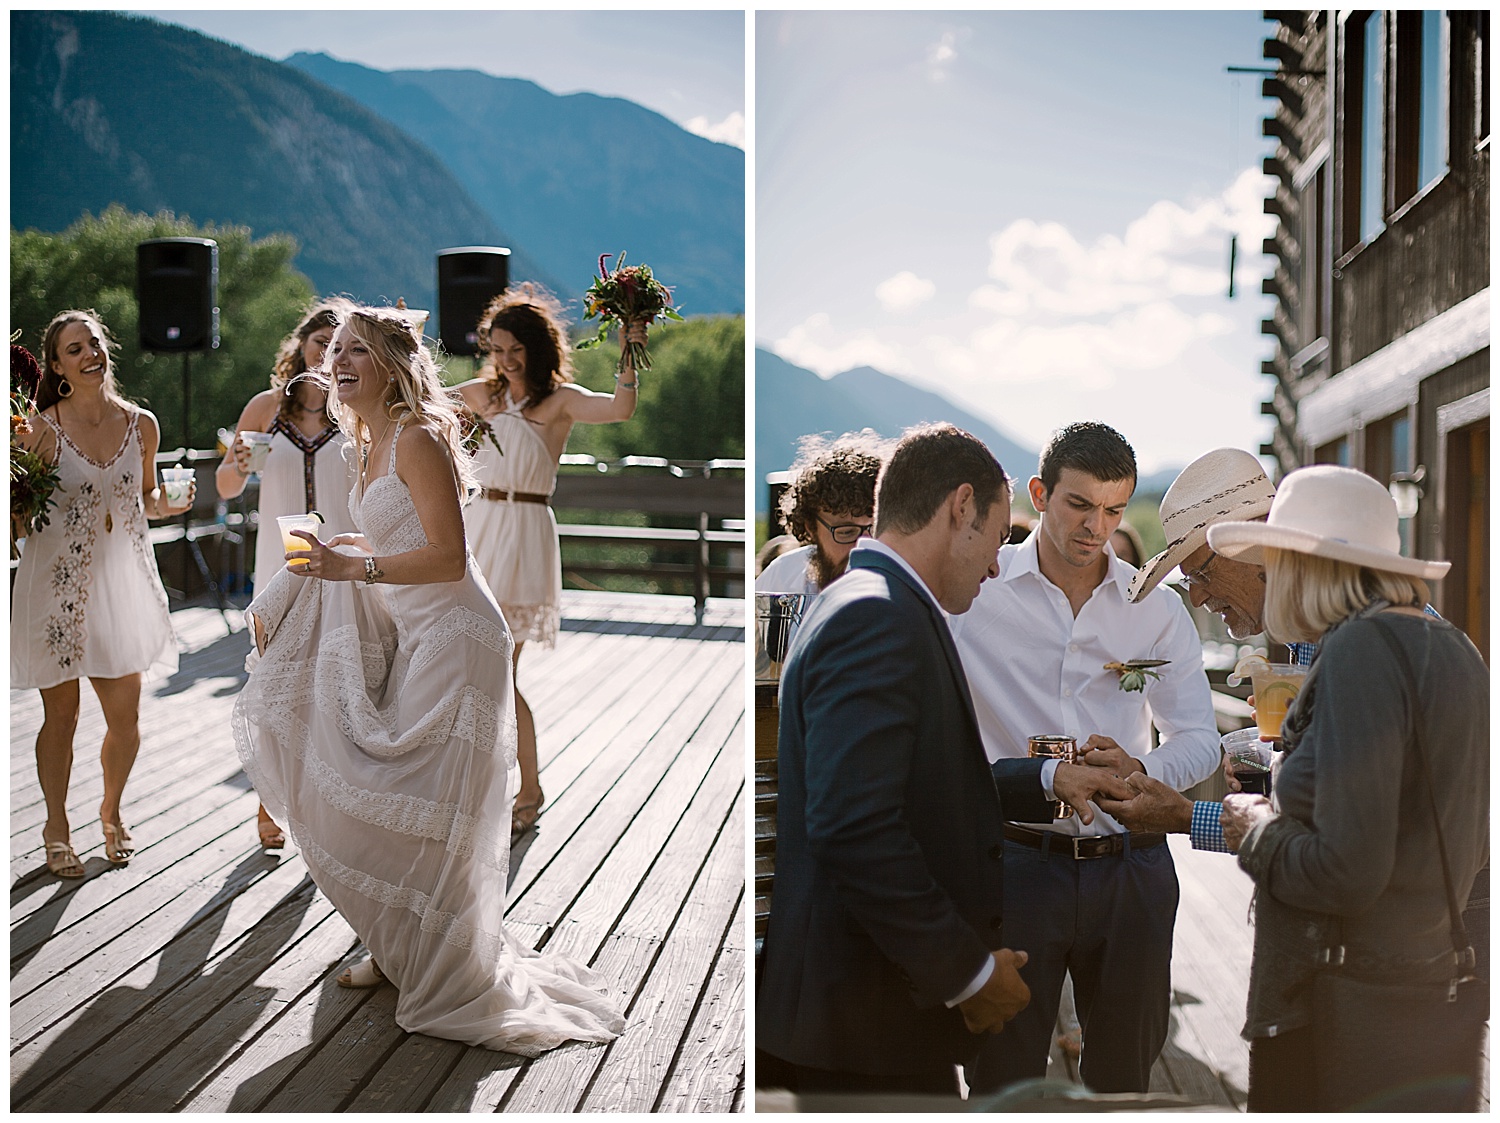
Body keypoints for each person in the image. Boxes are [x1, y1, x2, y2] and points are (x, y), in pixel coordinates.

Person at [231, 306, 625, 1054]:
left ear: (389, 364)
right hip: (417, 631)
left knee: (430, 800)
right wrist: (330, 554)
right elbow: (389, 536)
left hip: (460, 635)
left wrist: (358, 563)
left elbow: (449, 557)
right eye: (333, 350)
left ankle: (437, 960)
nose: (338, 361)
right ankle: (399, 945)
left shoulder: (415, 438)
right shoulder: (369, 439)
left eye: (356, 351)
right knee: (400, 793)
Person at [756, 422, 1133, 1096]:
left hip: (872, 1021)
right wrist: (969, 972)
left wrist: (1044, 778)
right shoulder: (875, 617)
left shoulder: (867, 600)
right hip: (862, 1027)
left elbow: (909, 786)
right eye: (995, 539)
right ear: (961, 506)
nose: (995, 565)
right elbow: (856, 827)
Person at [950, 421, 1219, 1095]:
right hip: (1013, 867)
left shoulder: (1154, 608)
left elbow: (1199, 736)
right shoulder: (972, 595)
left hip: (1131, 870)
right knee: (1001, 1080)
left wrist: (1142, 770)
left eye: (1113, 510)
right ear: (1040, 494)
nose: (1095, 526)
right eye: (1079, 504)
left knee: (1125, 1079)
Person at [1210, 465, 1486, 1111]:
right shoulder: (1454, 648)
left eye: (1275, 561)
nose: (1271, 578)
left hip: (1338, 1013)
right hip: (1425, 996)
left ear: (1308, 566)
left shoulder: (1361, 646)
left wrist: (1258, 828)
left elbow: (1347, 870)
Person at [453, 283, 645, 841]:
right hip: (476, 528)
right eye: (497, 349)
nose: (506, 360)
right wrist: (406, 338)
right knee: (465, 662)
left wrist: (631, 346)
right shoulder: (480, 395)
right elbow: (419, 399)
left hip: (524, 532)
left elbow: (620, 408)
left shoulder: (557, 401)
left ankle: (528, 785)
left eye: (516, 350)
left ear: (537, 349)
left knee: (497, 668)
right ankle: (478, 782)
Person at [12, 310, 195, 878]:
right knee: (60, 719)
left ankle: (111, 809)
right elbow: (18, 519)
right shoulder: (38, 431)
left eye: (94, 342)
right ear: (59, 367)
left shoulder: (142, 426)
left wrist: (172, 504)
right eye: (74, 349)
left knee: (125, 718)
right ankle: (56, 825)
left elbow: (145, 498)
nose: (90, 353)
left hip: (120, 588)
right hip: (56, 591)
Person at [215, 299, 357, 850]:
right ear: (300, 346)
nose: (326, 353)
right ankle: (270, 803)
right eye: (319, 343)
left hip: (341, 567)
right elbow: (227, 490)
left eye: (338, 344)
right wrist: (234, 463)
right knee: (275, 688)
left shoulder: (357, 410)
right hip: (278, 572)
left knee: (341, 688)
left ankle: (332, 810)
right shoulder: (266, 408)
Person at [754, 431, 884, 594]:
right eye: (847, 532)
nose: (864, 545)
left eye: (876, 529)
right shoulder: (782, 578)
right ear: (811, 528)